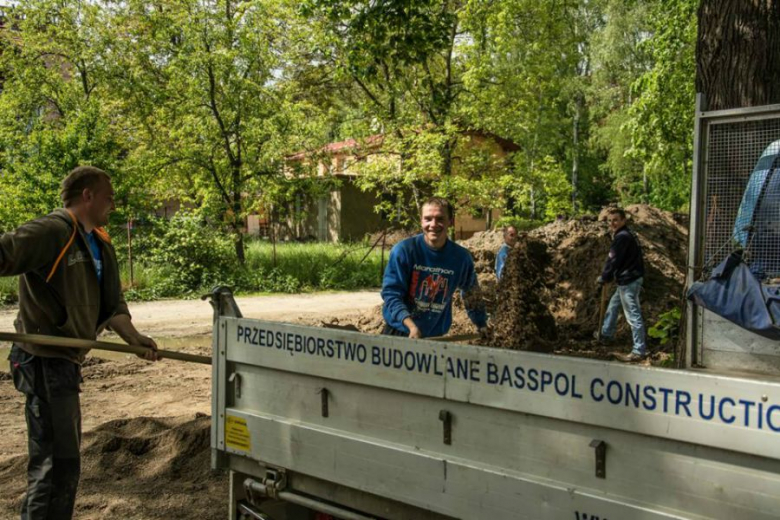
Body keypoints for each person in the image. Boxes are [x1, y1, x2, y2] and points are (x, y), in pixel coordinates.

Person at [4, 166, 158, 519]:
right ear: (87, 195)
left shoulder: (99, 243)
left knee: (63, 465)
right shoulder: (52, 231)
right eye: (109, 196)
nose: (114, 204)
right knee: (55, 466)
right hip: (42, 359)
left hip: (66, 363)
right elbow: (5, 252)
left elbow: (111, 305)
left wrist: (134, 338)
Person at [381, 197, 487, 339]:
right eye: (428, 219)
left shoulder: (461, 258)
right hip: (400, 333)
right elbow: (391, 294)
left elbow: (472, 293)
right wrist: (411, 326)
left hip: (436, 336)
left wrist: (482, 325)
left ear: (451, 221)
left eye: (440, 219)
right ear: (421, 221)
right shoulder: (405, 251)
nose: (433, 224)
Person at [596, 208, 647, 362]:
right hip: (627, 279)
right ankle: (606, 334)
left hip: (629, 280)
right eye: (610, 221)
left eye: (616, 220)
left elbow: (613, 260)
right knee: (613, 305)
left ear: (624, 220)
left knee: (632, 314)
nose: (613, 223)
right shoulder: (625, 234)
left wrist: (605, 277)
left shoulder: (622, 237)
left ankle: (639, 350)